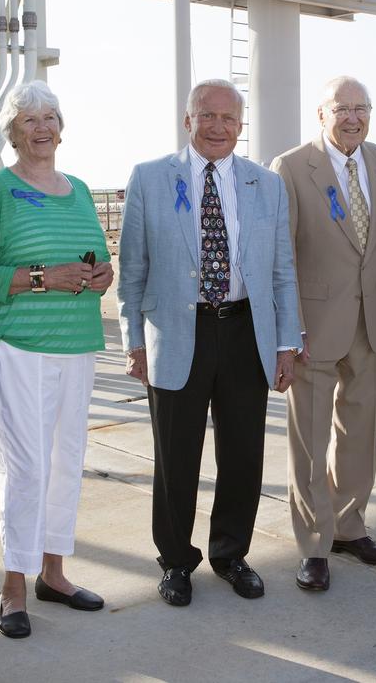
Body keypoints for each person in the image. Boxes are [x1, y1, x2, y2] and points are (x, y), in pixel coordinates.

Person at [117, 78, 301, 607]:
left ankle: (231, 554)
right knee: (176, 456)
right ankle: (176, 560)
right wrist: (134, 341)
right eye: (208, 115)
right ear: (188, 120)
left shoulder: (267, 185)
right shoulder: (150, 177)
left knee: (243, 453)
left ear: (241, 126)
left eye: (229, 119)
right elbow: (132, 269)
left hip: (246, 331)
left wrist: (286, 343)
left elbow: (282, 271)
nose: (218, 127)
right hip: (176, 331)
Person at [0, 80, 113, 638]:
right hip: (19, 347)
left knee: (66, 462)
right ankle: (12, 586)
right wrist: (42, 278)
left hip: (78, 343)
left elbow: (99, 258)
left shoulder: (81, 190)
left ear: (61, 130)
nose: (42, 128)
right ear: (13, 133)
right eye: (29, 120)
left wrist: (101, 274)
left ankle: (54, 574)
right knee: (24, 467)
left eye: (50, 118)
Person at [271, 76, 376, 592]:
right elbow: (282, 254)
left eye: (361, 108)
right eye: (342, 108)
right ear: (321, 114)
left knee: (360, 430)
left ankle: (350, 526)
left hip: (369, 318)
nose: (352, 117)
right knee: (310, 438)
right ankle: (314, 544)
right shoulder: (291, 166)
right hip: (313, 324)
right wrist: (287, 329)